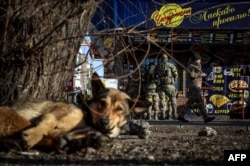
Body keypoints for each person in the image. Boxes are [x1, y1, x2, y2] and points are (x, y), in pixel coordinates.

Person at [178, 53, 215, 123]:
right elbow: (192, 75)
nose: (200, 60)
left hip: (197, 86)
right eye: (198, 59)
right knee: (200, 102)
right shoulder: (191, 66)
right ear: (195, 60)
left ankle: (181, 116)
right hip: (194, 86)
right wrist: (201, 75)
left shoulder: (197, 66)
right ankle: (206, 117)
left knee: (190, 102)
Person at [157, 54, 178, 120]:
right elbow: (176, 74)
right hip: (170, 86)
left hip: (161, 86)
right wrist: (174, 81)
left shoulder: (158, 66)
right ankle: (174, 114)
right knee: (172, 99)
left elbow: (156, 76)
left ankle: (163, 114)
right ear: (167, 59)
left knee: (163, 100)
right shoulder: (171, 65)